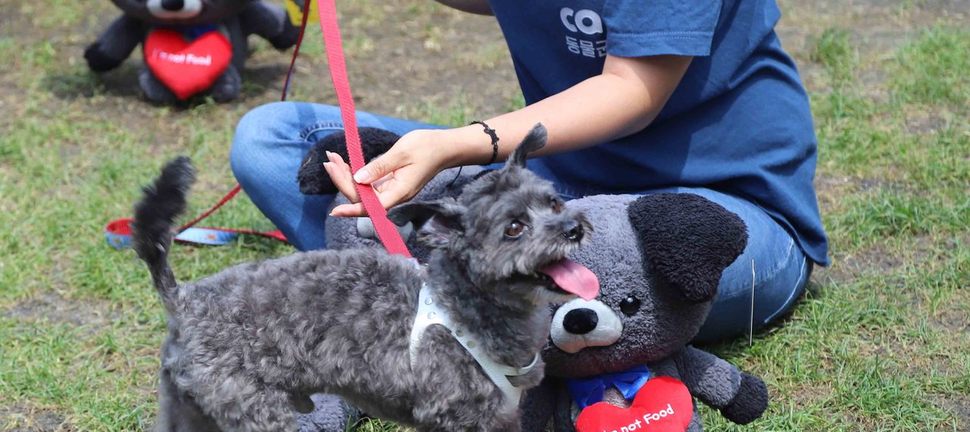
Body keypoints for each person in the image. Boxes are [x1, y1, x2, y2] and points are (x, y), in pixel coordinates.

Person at [230, 0, 828, 344]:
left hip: (723, 216)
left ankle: (429, 300)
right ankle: (451, 293)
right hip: (557, 197)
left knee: (604, 262)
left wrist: (461, 146)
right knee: (270, 141)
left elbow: (632, 90)